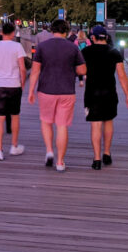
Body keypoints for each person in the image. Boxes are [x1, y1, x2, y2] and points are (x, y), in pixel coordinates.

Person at [28, 18, 86, 172]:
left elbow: (35, 71)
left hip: (46, 90)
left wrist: (31, 91)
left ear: (52, 30)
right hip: (66, 91)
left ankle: (49, 151)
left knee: (46, 122)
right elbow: (82, 70)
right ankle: (60, 162)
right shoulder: (73, 48)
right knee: (62, 126)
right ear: (66, 31)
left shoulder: (42, 47)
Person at [81, 25, 128, 170]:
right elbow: (122, 76)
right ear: (106, 37)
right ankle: (107, 153)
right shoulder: (114, 52)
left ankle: (96, 159)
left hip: (92, 92)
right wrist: (127, 95)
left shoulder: (86, 51)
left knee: (95, 125)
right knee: (108, 122)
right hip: (109, 92)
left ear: (93, 37)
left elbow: (81, 70)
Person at [0, 22, 28, 161]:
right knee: (15, 116)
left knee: (0, 117)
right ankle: (14, 146)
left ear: (1, 32)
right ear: (13, 33)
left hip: (0, 85)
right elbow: (22, 68)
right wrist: (22, 83)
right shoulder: (17, 46)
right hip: (14, 85)